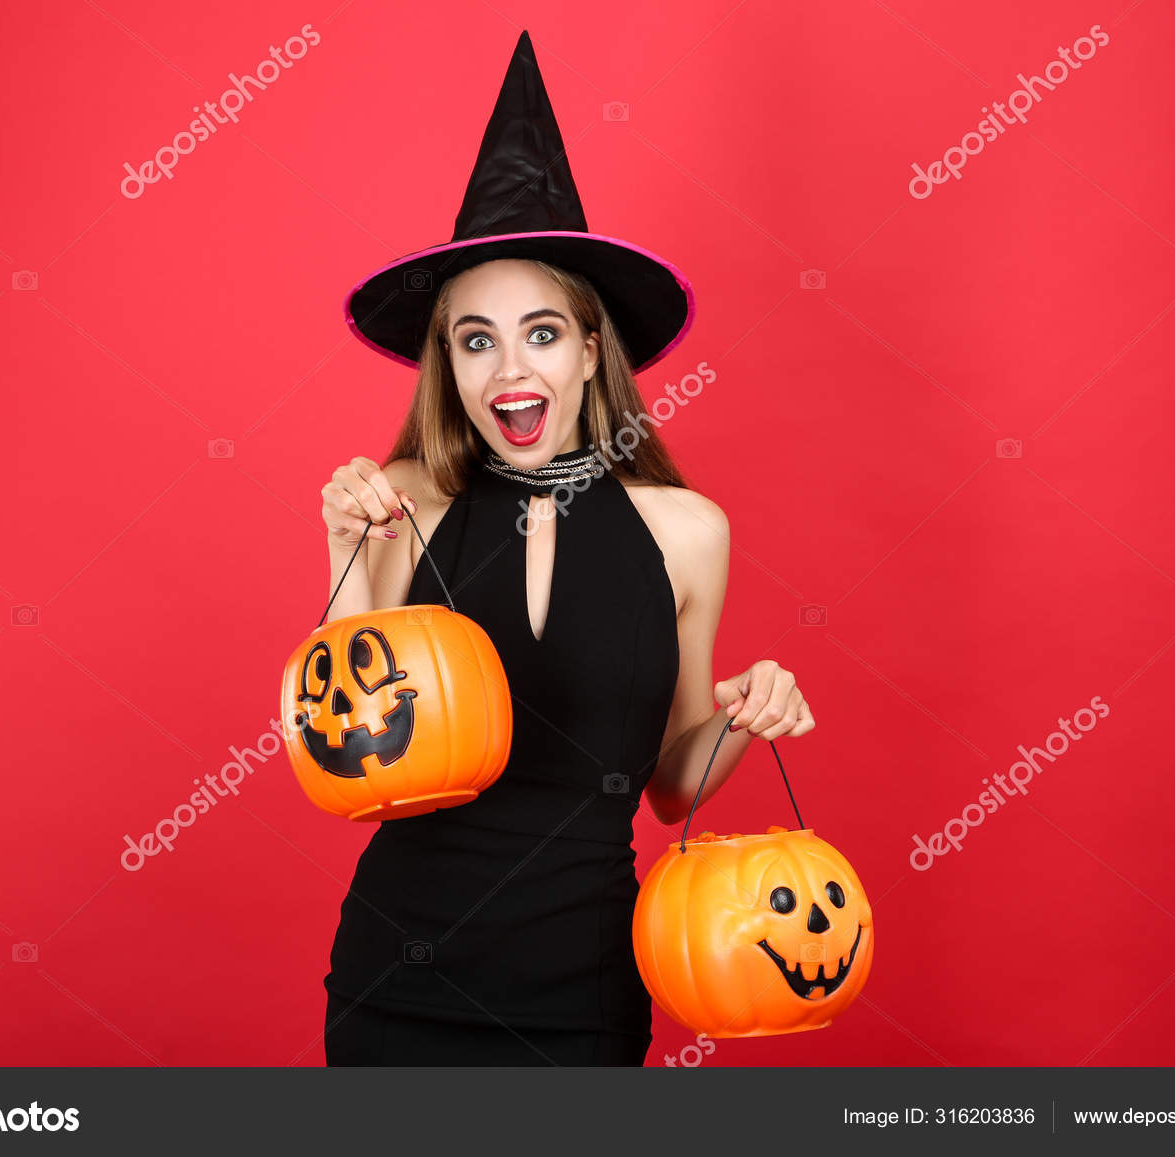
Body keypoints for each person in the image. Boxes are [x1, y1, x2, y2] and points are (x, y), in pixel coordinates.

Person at [315, 31, 815, 1067]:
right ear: (446, 365)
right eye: (475, 337)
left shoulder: (686, 531)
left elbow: (671, 786)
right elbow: (354, 761)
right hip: (397, 981)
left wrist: (745, 713)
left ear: (593, 351)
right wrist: (342, 555)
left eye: (542, 331)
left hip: (581, 988)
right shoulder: (395, 504)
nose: (510, 366)